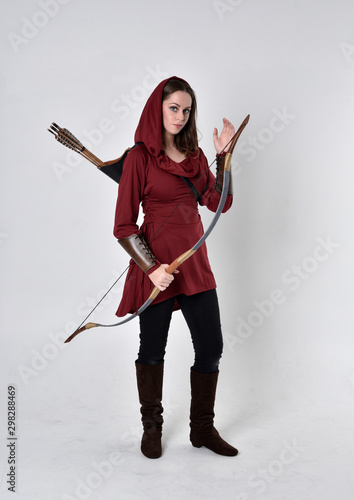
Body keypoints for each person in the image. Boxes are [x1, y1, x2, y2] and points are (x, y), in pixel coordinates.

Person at [113, 76, 238, 459]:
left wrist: (224, 157)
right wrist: (152, 269)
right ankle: (151, 427)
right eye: (174, 108)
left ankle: (201, 429)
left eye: (186, 110)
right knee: (152, 350)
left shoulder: (197, 156)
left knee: (211, 348)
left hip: (194, 266)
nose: (181, 116)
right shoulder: (138, 158)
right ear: (158, 107)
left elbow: (220, 203)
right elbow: (123, 226)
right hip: (156, 272)